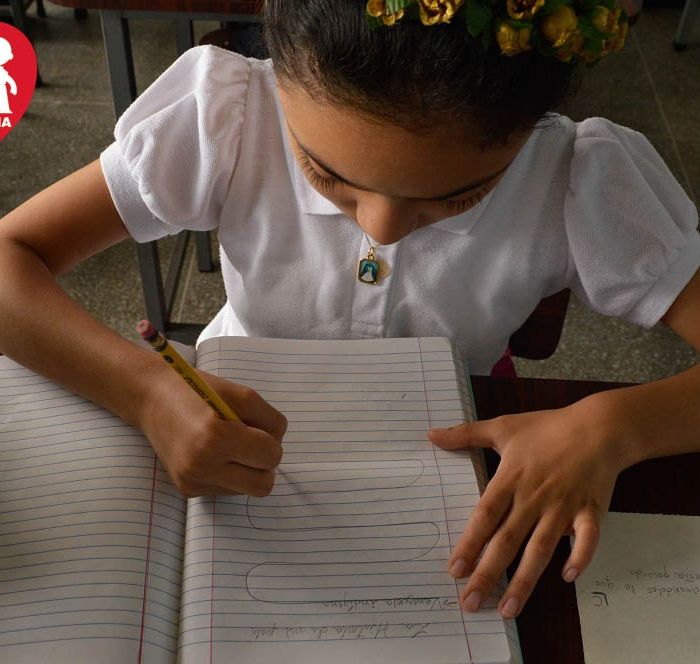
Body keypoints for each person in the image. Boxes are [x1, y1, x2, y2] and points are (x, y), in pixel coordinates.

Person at [0, 0, 698, 623]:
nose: (385, 228)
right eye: (326, 174)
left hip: (448, 459)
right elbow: (10, 256)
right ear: (278, 74)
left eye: (459, 197)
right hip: (215, 419)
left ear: (528, 130)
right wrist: (144, 391)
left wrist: (615, 427)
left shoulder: (574, 172)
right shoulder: (230, 117)